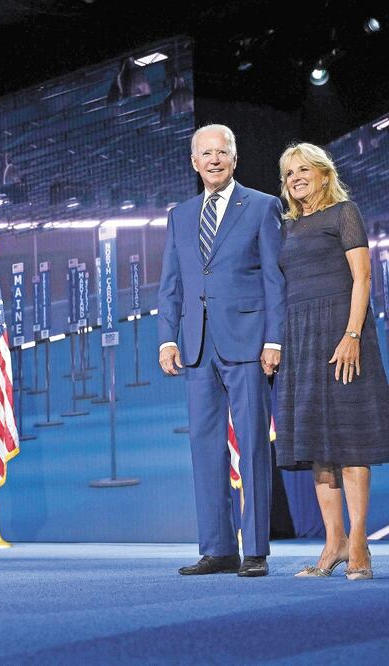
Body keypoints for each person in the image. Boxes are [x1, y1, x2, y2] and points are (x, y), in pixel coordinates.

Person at [158, 124, 285, 577]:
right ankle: (217, 549)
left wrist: (274, 339)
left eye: (222, 153)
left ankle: (255, 551)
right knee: (204, 449)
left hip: (248, 344)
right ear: (194, 162)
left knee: (251, 447)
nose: (214, 160)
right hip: (195, 347)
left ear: (234, 159)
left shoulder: (264, 207)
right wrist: (168, 337)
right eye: (205, 154)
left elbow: (275, 279)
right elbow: (171, 284)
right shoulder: (180, 215)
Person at [275, 143, 389, 581]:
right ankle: (333, 543)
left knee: (350, 440)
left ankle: (358, 543)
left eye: (304, 170)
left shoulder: (344, 212)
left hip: (344, 334)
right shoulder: (287, 227)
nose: (296, 178)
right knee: (317, 446)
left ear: (324, 174)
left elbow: (363, 276)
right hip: (301, 340)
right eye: (288, 174)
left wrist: (352, 335)